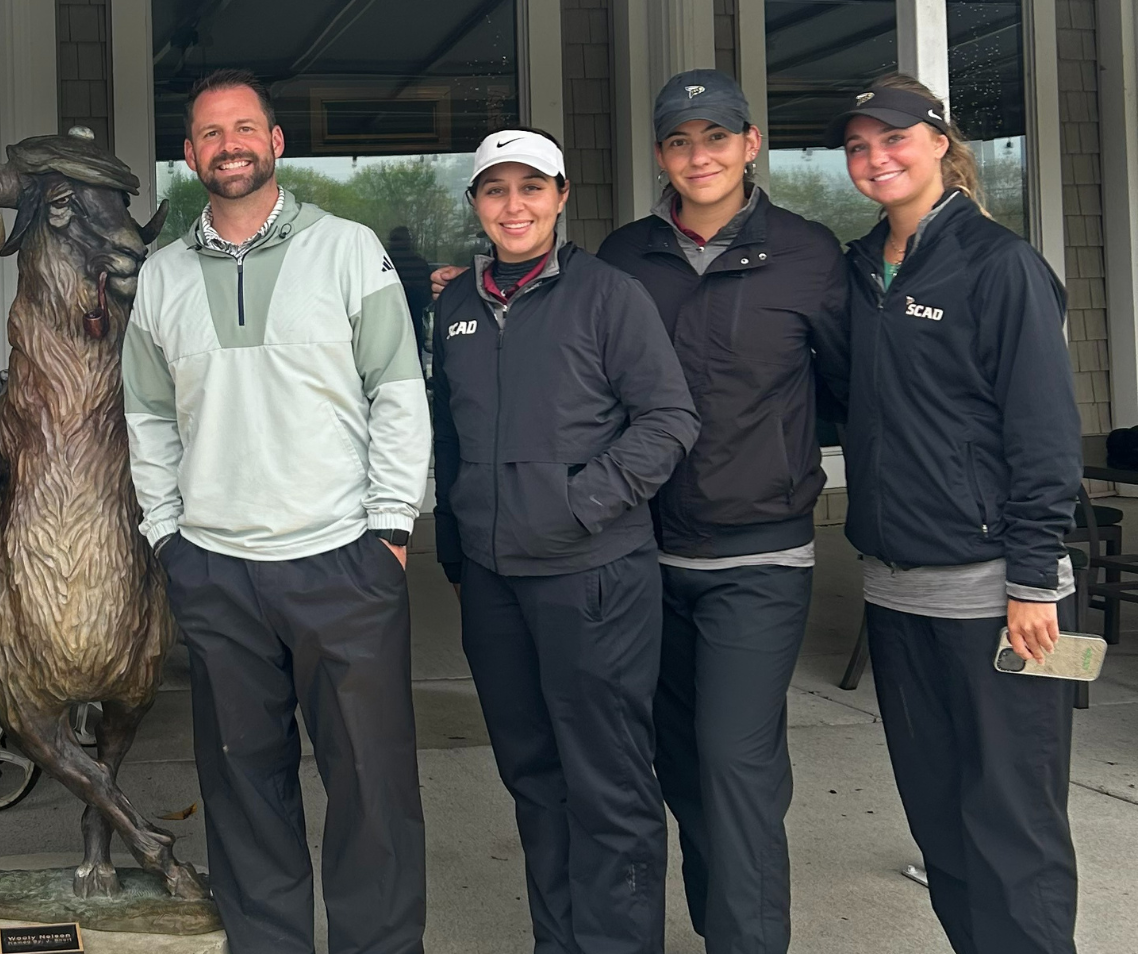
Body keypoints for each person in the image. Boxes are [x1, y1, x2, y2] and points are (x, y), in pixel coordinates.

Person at [123, 68, 431, 954]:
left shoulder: (348, 248)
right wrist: (168, 536)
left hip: (342, 558)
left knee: (373, 789)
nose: (229, 145)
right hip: (216, 569)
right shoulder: (163, 278)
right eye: (210, 134)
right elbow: (146, 419)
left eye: (244, 128)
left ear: (276, 142)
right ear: (188, 155)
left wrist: (390, 529)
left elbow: (399, 393)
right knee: (243, 791)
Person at [593, 70, 850, 954]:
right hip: (644, 557)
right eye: (678, 140)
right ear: (661, 154)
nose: (697, 156)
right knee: (685, 770)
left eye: (715, 137)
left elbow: (853, 388)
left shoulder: (811, 255)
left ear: (750, 145)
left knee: (736, 763)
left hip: (759, 559)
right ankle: (721, 930)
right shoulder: (622, 259)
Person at [830, 74, 1081, 954]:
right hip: (898, 593)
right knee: (941, 823)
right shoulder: (862, 271)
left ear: (940, 143)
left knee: (1014, 829)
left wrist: (1032, 578)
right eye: (858, 146)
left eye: (893, 138)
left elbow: (1046, 436)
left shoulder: (998, 265)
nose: (875, 158)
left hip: (1000, 596)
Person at [433, 129, 698, 954]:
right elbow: (448, 431)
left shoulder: (609, 296)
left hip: (593, 576)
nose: (513, 206)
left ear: (560, 195)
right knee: (533, 778)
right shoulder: (454, 305)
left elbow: (669, 419)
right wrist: (459, 537)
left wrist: (584, 504)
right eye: (495, 190)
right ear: (476, 204)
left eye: (530, 188)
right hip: (493, 580)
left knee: (609, 784)